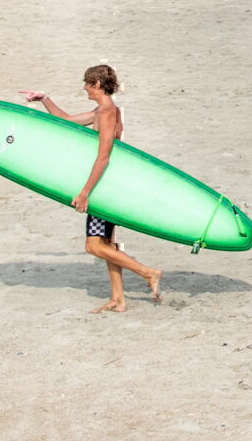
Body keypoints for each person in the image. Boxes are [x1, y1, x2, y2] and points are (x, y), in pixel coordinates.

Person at [20, 65, 162, 312]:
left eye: (87, 83)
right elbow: (66, 121)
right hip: (106, 185)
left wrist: (85, 192)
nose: (84, 87)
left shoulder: (107, 113)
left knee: (93, 245)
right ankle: (118, 298)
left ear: (97, 85)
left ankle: (148, 272)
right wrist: (45, 99)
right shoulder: (102, 110)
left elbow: (104, 157)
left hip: (104, 188)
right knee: (107, 244)